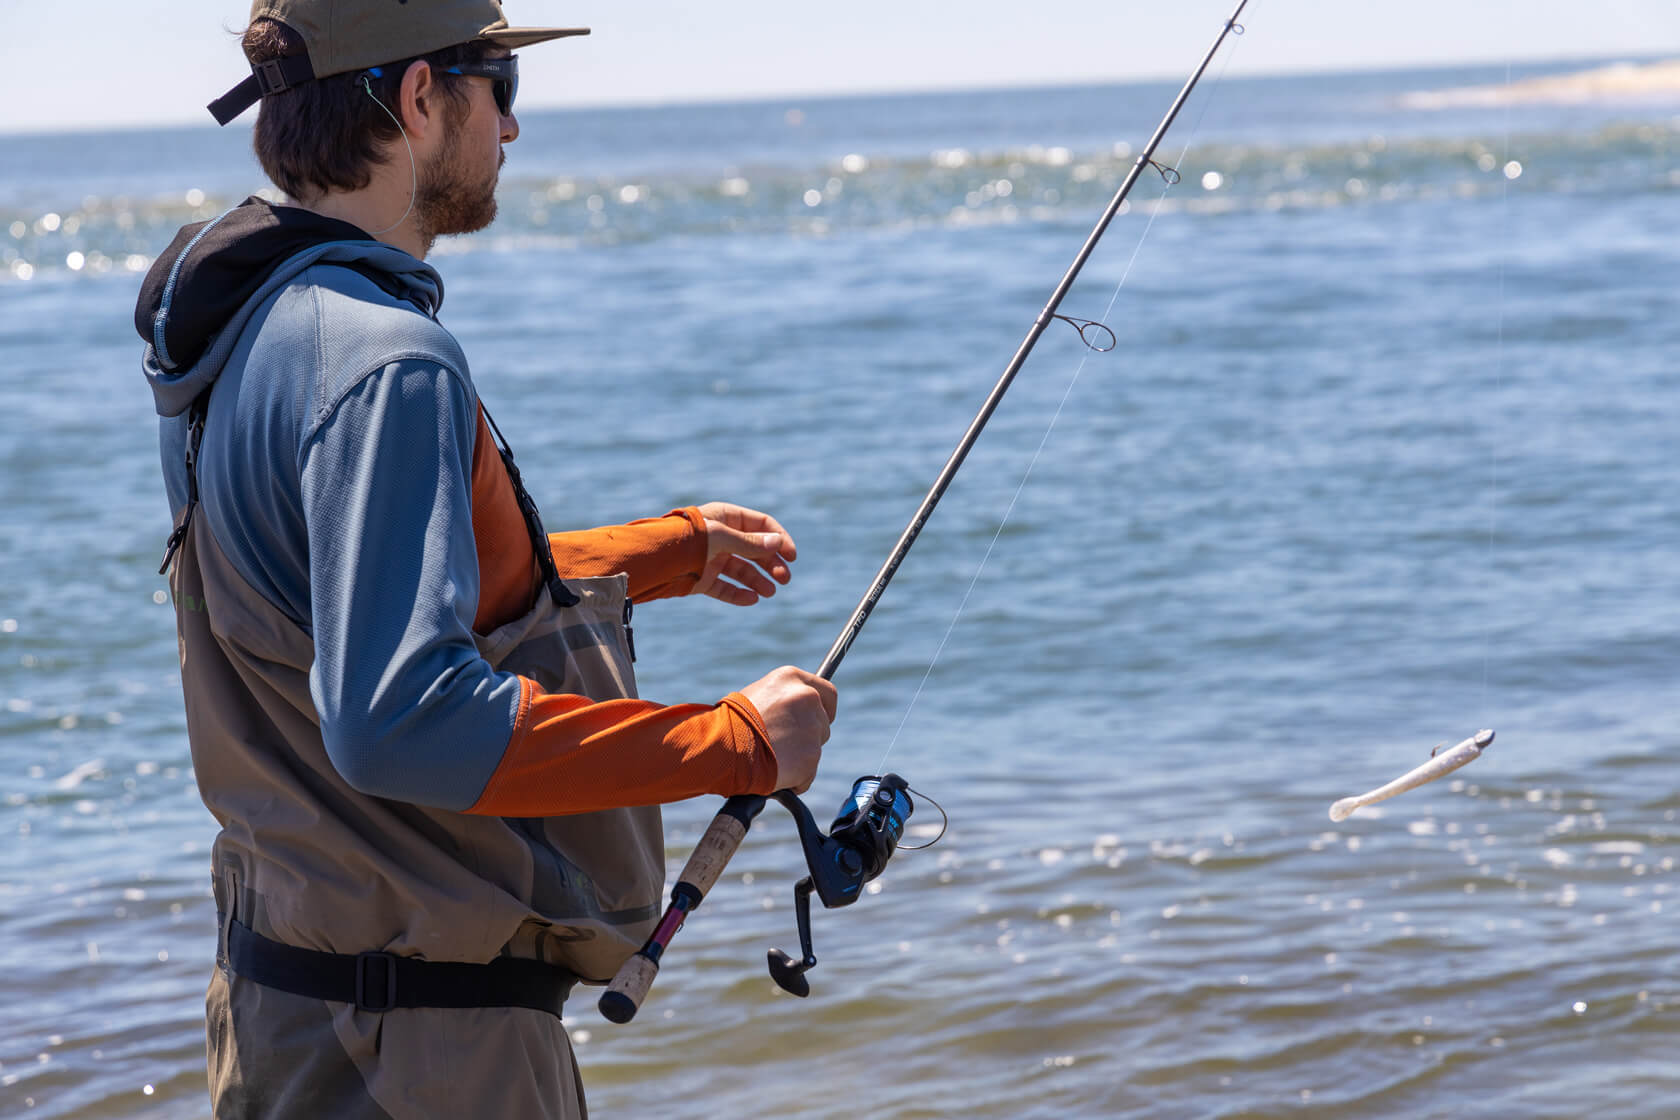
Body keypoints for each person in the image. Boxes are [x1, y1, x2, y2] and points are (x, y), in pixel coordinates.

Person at [135, 2, 837, 1116]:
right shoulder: (386, 361)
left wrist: (668, 551)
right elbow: (399, 714)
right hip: (418, 1054)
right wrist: (731, 742)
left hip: (286, 1013)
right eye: (498, 88)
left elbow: (351, 582)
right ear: (420, 98)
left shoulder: (240, 325)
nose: (509, 129)